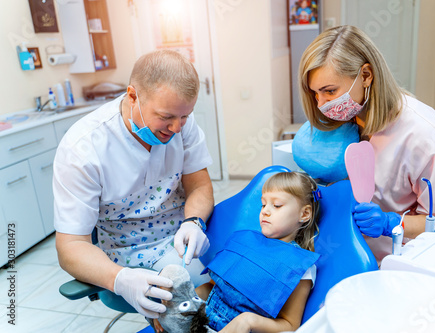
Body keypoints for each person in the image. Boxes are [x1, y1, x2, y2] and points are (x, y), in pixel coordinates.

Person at [53, 49, 214, 318]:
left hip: (177, 240)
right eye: (165, 117)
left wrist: (194, 221)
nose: (176, 128)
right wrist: (121, 279)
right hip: (122, 255)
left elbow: (199, 185)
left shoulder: (181, 122)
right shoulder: (83, 148)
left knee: (223, 292)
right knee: (182, 311)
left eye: (184, 117)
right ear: (132, 96)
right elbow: (70, 247)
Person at [298, 25, 435, 260]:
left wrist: (391, 222)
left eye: (329, 91)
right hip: (344, 245)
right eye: (315, 93)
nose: (321, 105)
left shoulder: (422, 135)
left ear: (366, 75)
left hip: (397, 256)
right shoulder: (345, 120)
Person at [152, 172, 321, 333]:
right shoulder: (245, 242)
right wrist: (180, 306)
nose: (265, 211)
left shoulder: (300, 266)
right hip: (201, 321)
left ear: (304, 214)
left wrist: (247, 321)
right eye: (263, 204)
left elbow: (290, 325)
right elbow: (212, 288)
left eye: (276, 205)